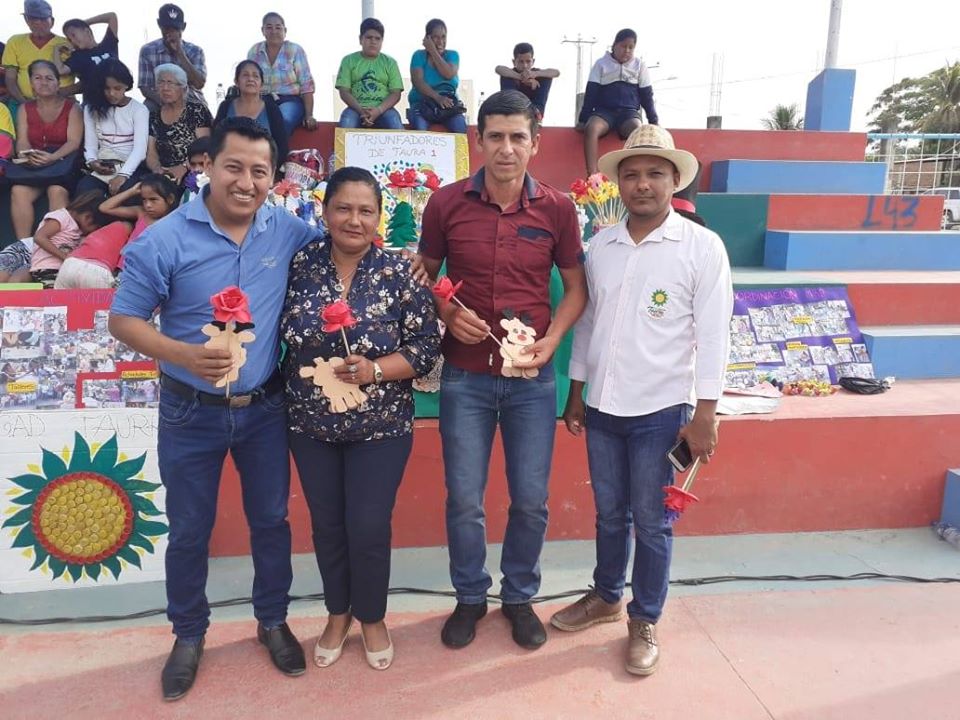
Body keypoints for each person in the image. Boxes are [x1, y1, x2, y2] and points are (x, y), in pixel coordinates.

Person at [109, 117, 322, 701]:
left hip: (264, 409)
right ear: (207, 167)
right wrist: (183, 354)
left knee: (271, 521)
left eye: (260, 171)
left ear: (273, 177)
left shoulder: (288, 231)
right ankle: (188, 634)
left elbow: (340, 254)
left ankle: (272, 621)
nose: (246, 182)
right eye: (234, 167)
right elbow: (123, 319)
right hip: (189, 411)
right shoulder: (164, 239)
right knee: (189, 530)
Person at [551, 125, 732, 676]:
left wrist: (706, 414)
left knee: (652, 522)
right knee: (610, 513)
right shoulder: (602, 246)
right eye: (631, 174)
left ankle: (644, 616)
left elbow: (715, 334)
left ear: (674, 181)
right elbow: (588, 324)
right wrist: (576, 391)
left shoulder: (701, 247)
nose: (642, 184)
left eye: (655, 173)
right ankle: (607, 596)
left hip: (662, 410)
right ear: (618, 184)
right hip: (604, 406)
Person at [419, 90, 587, 651]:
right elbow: (426, 275)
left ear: (535, 143)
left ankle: (518, 597)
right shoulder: (445, 205)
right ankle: (470, 597)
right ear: (479, 141)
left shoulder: (557, 209)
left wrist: (553, 340)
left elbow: (576, 289)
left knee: (531, 499)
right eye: (496, 136)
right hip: (465, 377)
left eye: (518, 137)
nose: (507, 148)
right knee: (464, 498)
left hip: (531, 380)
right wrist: (447, 312)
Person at [282, 166, 440, 672]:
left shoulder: (400, 271)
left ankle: (371, 616)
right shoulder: (299, 263)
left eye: (365, 210)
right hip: (311, 425)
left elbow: (426, 347)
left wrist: (375, 369)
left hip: (381, 427)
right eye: (343, 208)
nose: (354, 220)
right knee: (328, 525)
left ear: (379, 217)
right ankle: (338, 613)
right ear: (325, 211)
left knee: (368, 525)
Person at [55, 173, 179, 289]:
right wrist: (131, 191)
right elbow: (105, 208)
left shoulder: (174, 222)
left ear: (170, 199)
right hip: (124, 271)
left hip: (146, 274)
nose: (148, 205)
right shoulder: (141, 213)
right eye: (144, 200)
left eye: (153, 199)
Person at [8, 60, 83, 241]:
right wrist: (27, 155)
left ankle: (55, 245)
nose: (44, 83)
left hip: (62, 164)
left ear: (58, 83)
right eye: (38, 78)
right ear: (31, 82)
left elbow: (74, 142)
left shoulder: (72, 108)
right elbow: (22, 141)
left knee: (56, 191)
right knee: (18, 191)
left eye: (49, 78)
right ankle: (24, 246)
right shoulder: (25, 108)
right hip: (34, 165)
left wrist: (53, 157)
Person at [578, 29, 659, 176]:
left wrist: (654, 121)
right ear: (614, 45)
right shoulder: (601, 64)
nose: (626, 50)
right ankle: (592, 175)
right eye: (623, 46)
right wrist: (583, 119)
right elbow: (591, 93)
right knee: (592, 128)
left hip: (629, 114)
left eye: (631, 47)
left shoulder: (639, 66)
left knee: (637, 130)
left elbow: (647, 96)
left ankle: (633, 173)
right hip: (604, 113)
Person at [76, 59, 149, 197]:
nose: (112, 93)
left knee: (127, 193)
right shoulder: (91, 108)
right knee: (85, 191)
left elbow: (140, 150)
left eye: (117, 88)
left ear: (126, 86)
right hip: (103, 167)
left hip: (131, 167)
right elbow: (90, 145)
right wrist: (92, 161)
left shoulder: (139, 110)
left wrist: (123, 175)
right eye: (107, 88)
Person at [247, 12, 316, 136]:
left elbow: (306, 84)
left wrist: (309, 115)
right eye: (269, 27)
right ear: (263, 30)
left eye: (278, 27)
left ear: (285, 30)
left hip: (290, 100)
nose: (274, 31)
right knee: (252, 124)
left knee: (282, 120)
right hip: (262, 100)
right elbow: (248, 80)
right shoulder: (254, 51)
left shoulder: (295, 50)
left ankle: (276, 149)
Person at [214, 61, 287, 173]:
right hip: (229, 169)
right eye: (245, 75)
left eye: (255, 76)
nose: (250, 79)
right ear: (236, 81)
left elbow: (282, 147)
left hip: (261, 170)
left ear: (261, 83)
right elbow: (215, 140)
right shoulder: (225, 106)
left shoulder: (271, 109)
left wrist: (267, 171)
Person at [146, 63, 212, 185]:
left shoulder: (197, 111)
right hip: (164, 174)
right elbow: (151, 153)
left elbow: (204, 147)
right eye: (161, 83)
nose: (165, 88)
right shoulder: (153, 116)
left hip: (194, 171)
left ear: (184, 88)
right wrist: (157, 169)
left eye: (170, 83)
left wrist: (184, 167)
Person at [335, 18, 403, 130]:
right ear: (360, 39)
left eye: (377, 38)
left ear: (382, 41)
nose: (373, 41)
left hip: (384, 110)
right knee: (346, 122)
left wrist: (378, 111)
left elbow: (395, 94)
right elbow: (344, 92)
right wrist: (361, 110)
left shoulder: (390, 63)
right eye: (369, 37)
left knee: (394, 122)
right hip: (355, 109)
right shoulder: (348, 60)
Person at [2, 1, 74, 106]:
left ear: (52, 21)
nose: (37, 22)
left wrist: (58, 95)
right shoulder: (15, 41)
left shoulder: (69, 43)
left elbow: (86, 78)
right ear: (26, 20)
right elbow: (10, 79)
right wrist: (25, 104)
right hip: (21, 102)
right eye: (32, 18)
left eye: (43, 19)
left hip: (62, 103)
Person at [137, 3, 206, 111]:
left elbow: (199, 84)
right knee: (146, 109)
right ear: (159, 24)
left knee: (200, 111)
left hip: (190, 100)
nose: (171, 32)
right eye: (167, 28)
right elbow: (144, 87)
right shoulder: (148, 50)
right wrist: (166, 102)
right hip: (159, 100)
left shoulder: (195, 51)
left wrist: (180, 53)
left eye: (175, 28)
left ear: (183, 27)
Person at [29, 189, 102, 287]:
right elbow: (40, 237)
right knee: (54, 295)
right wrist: (64, 257)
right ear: (87, 217)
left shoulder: (78, 229)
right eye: (95, 227)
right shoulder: (61, 217)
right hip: (48, 268)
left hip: (65, 271)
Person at [406, 18, 466, 133]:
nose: (440, 41)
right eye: (436, 37)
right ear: (427, 38)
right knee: (420, 128)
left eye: (443, 37)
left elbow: (448, 74)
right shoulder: (418, 56)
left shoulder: (453, 55)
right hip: (422, 104)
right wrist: (437, 97)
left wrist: (433, 51)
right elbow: (418, 82)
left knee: (460, 127)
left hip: (448, 104)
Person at [56, 12, 119, 93]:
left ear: (87, 31)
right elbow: (60, 70)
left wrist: (84, 23)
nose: (73, 41)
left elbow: (111, 16)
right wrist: (57, 50)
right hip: (93, 99)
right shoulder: (78, 57)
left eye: (74, 35)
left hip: (116, 97)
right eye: (70, 39)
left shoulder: (108, 44)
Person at [496, 43, 559, 120]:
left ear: (533, 61)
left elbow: (556, 72)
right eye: (521, 62)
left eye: (528, 61)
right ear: (514, 62)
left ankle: (537, 112)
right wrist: (522, 78)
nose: (525, 65)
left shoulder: (536, 73)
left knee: (546, 76)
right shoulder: (511, 72)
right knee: (506, 76)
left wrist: (534, 74)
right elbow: (498, 69)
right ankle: (512, 109)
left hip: (533, 110)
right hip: (513, 108)